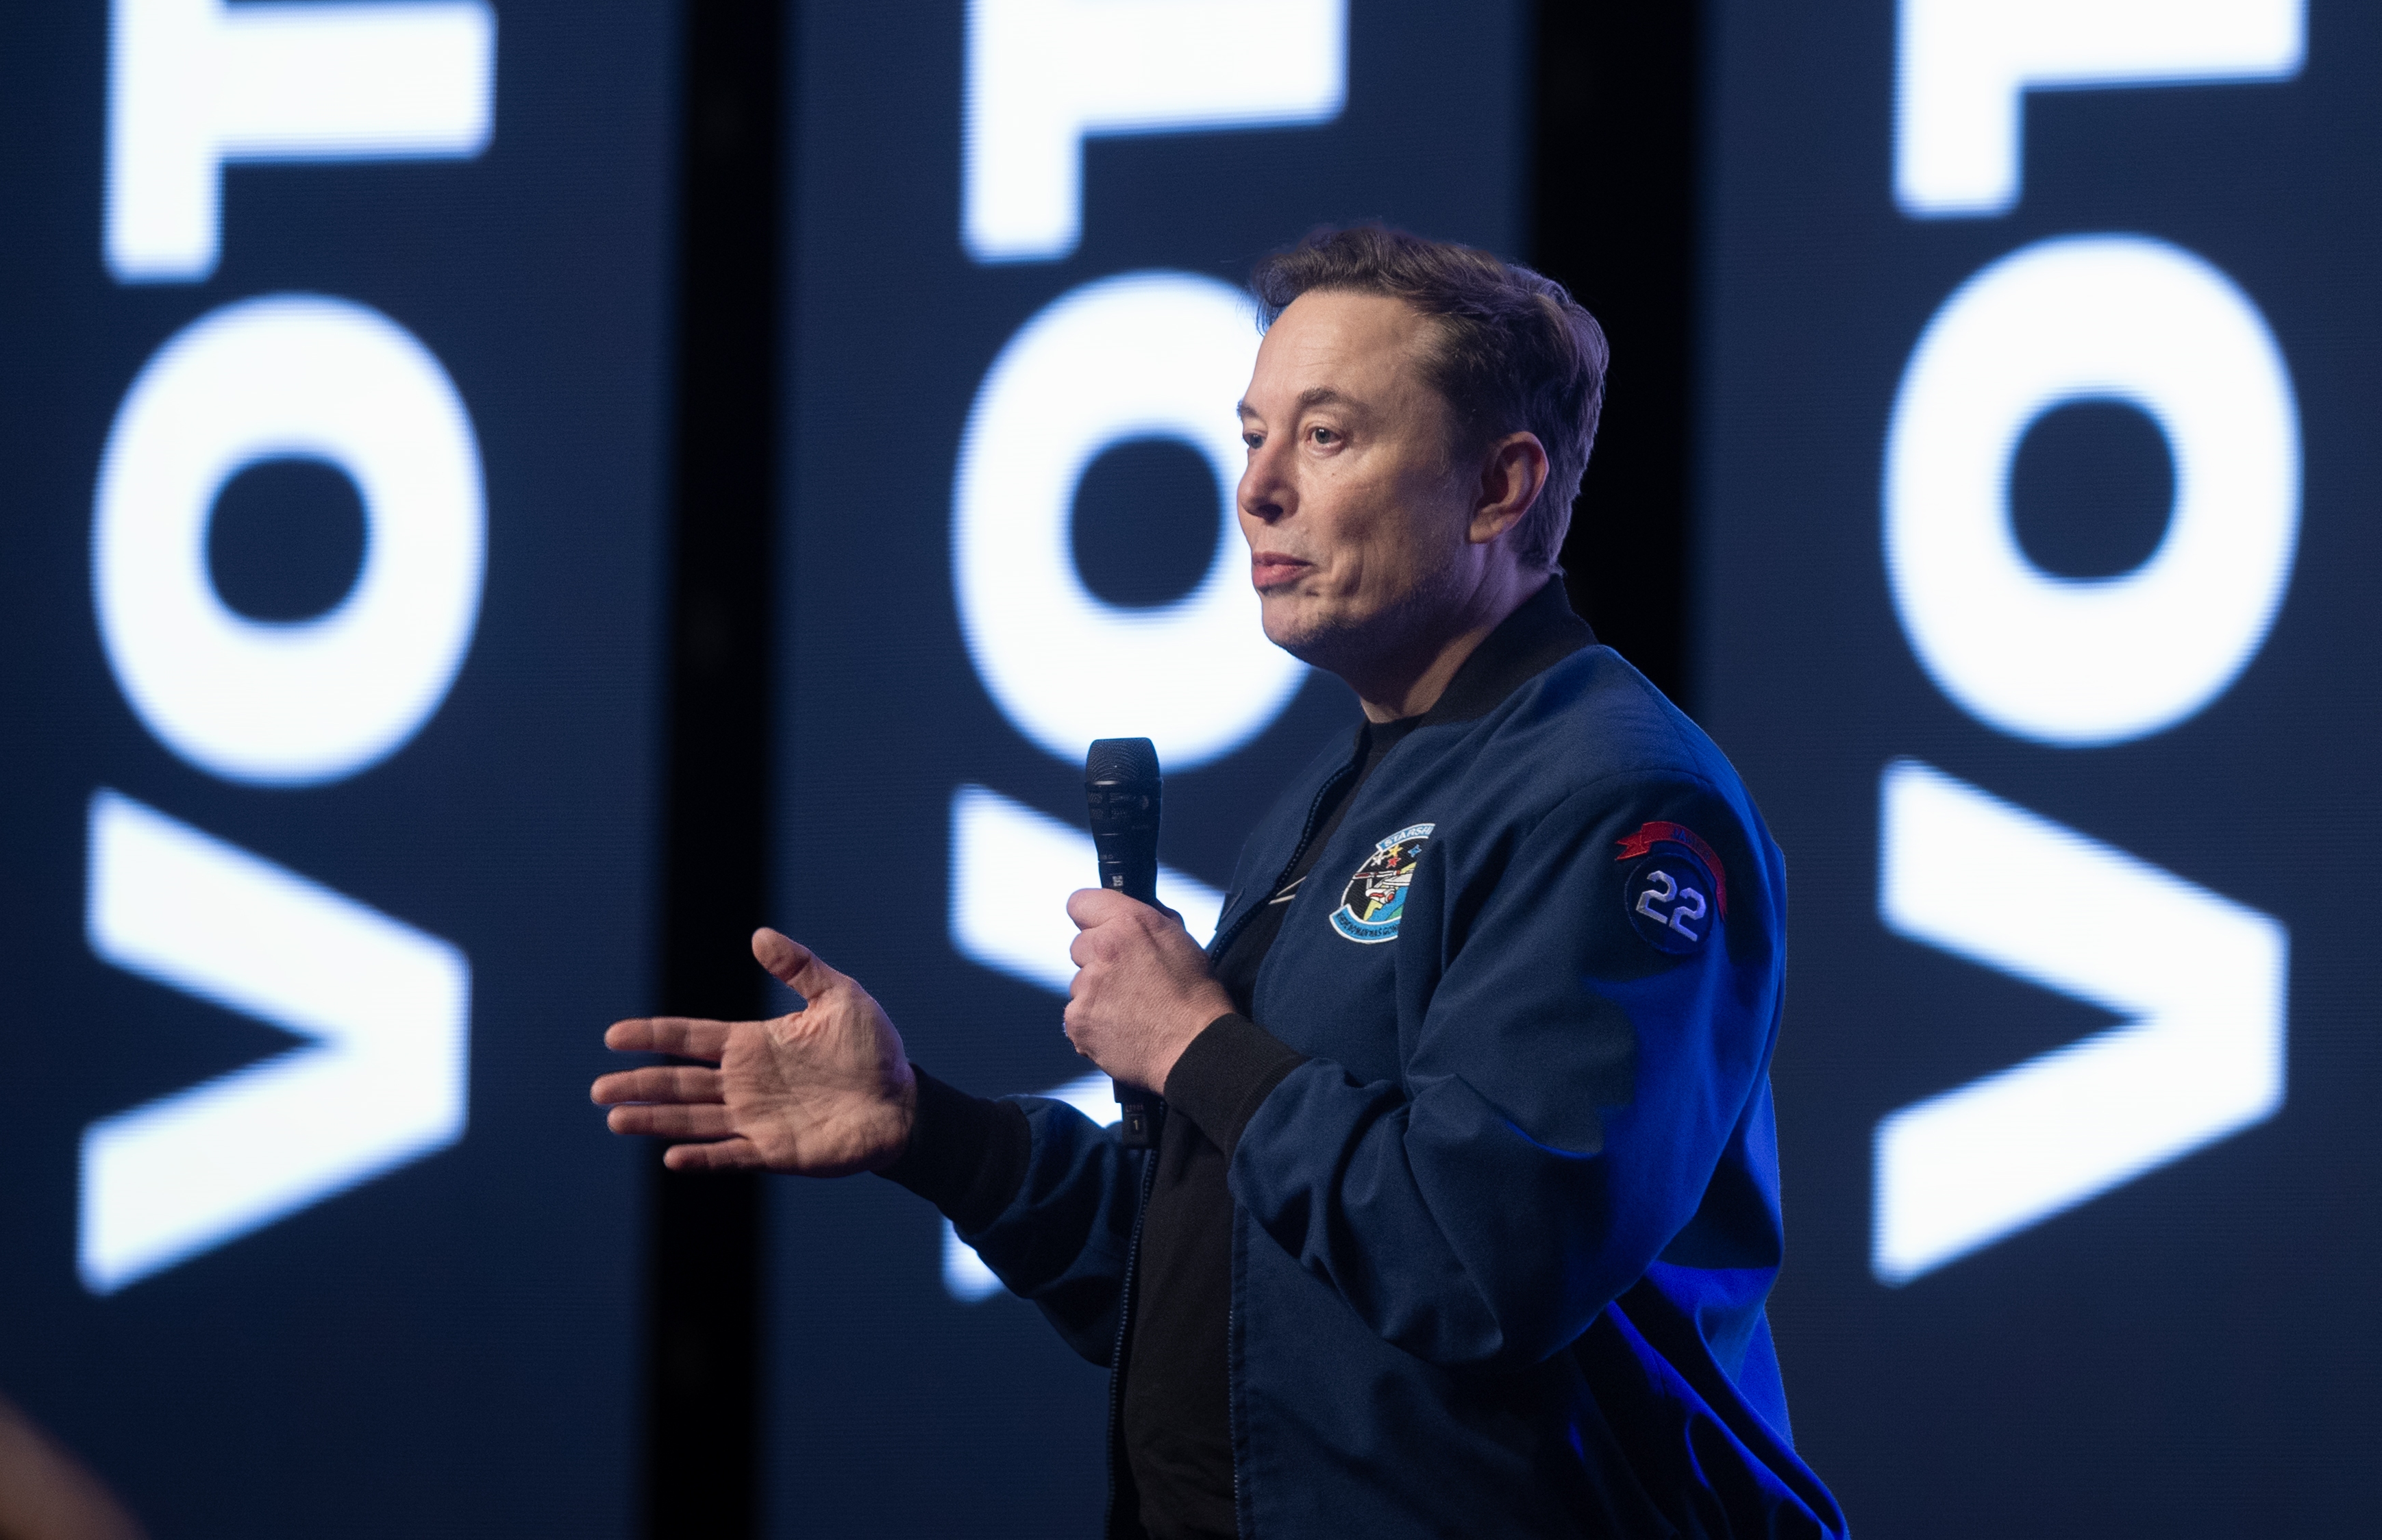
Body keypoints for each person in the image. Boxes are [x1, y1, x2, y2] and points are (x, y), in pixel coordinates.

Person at [593, 225, 1844, 1540]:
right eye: (1252, 435)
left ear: (1500, 486)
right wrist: (930, 1132)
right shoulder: (1355, 786)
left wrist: (1196, 1041)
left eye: (1327, 436)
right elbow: (1237, 1275)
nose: (1255, 491)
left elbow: (1486, 1261)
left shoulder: (1618, 798)